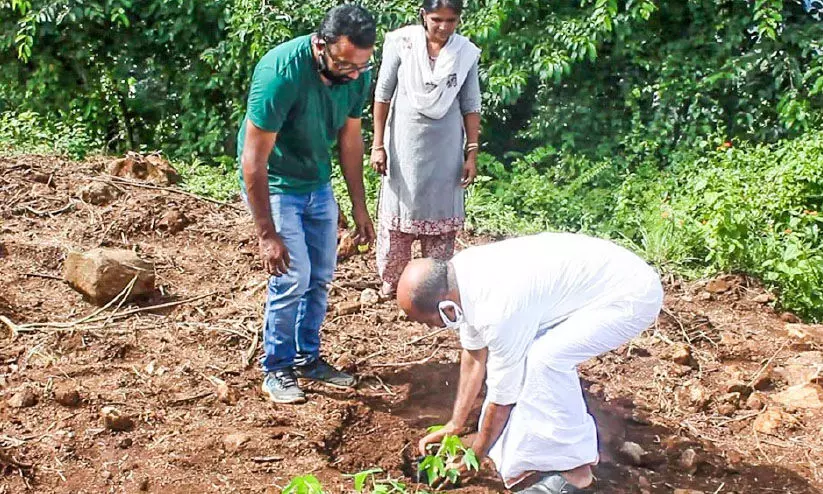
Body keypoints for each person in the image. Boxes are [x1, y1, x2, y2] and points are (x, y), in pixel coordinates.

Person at [396, 233, 664, 493]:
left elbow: (502, 400)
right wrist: (454, 424)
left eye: (428, 321)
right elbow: (475, 354)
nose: (432, 327)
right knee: (528, 358)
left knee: (545, 360)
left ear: (445, 308)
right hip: (595, 283)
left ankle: (576, 474)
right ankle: (544, 451)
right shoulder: (460, 279)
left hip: (627, 295)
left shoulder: (497, 310)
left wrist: (476, 456)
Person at [237, 5, 377, 404]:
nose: (352, 73)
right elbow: (253, 160)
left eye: (361, 66)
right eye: (344, 63)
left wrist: (359, 207)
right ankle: (276, 368)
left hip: (316, 179)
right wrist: (267, 234)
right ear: (321, 45)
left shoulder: (355, 76)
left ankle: (308, 358)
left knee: (320, 275)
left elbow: (351, 140)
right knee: (291, 277)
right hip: (277, 181)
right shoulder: (279, 74)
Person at [371, 0, 481, 297]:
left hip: (446, 147)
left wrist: (471, 152)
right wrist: (377, 144)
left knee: (441, 212)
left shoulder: (465, 53)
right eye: (437, 19)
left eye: (451, 20)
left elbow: (471, 105)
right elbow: (382, 95)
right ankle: (393, 282)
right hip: (403, 144)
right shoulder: (402, 43)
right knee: (400, 209)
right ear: (423, 16)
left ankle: (432, 286)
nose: (444, 27)